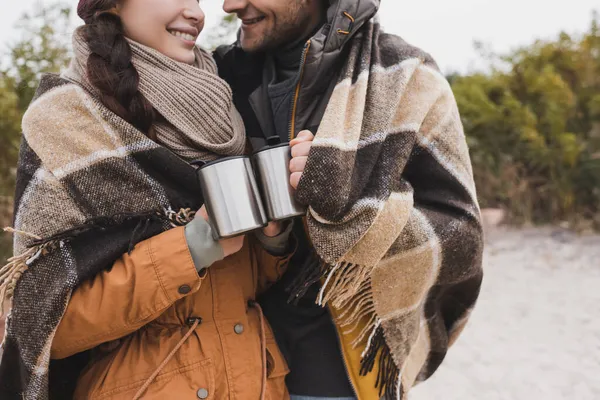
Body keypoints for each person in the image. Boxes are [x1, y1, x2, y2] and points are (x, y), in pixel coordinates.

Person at [0, 0, 306, 398]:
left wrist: (273, 235)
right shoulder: (66, 120)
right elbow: (44, 325)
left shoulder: (222, 110)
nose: (196, 14)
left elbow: (245, 283)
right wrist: (192, 247)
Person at [215, 0, 485, 399]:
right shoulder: (213, 77)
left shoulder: (407, 76)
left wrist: (346, 198)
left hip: (334, 374)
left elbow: (463, 240)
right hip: (217, 367)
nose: (230, 4)